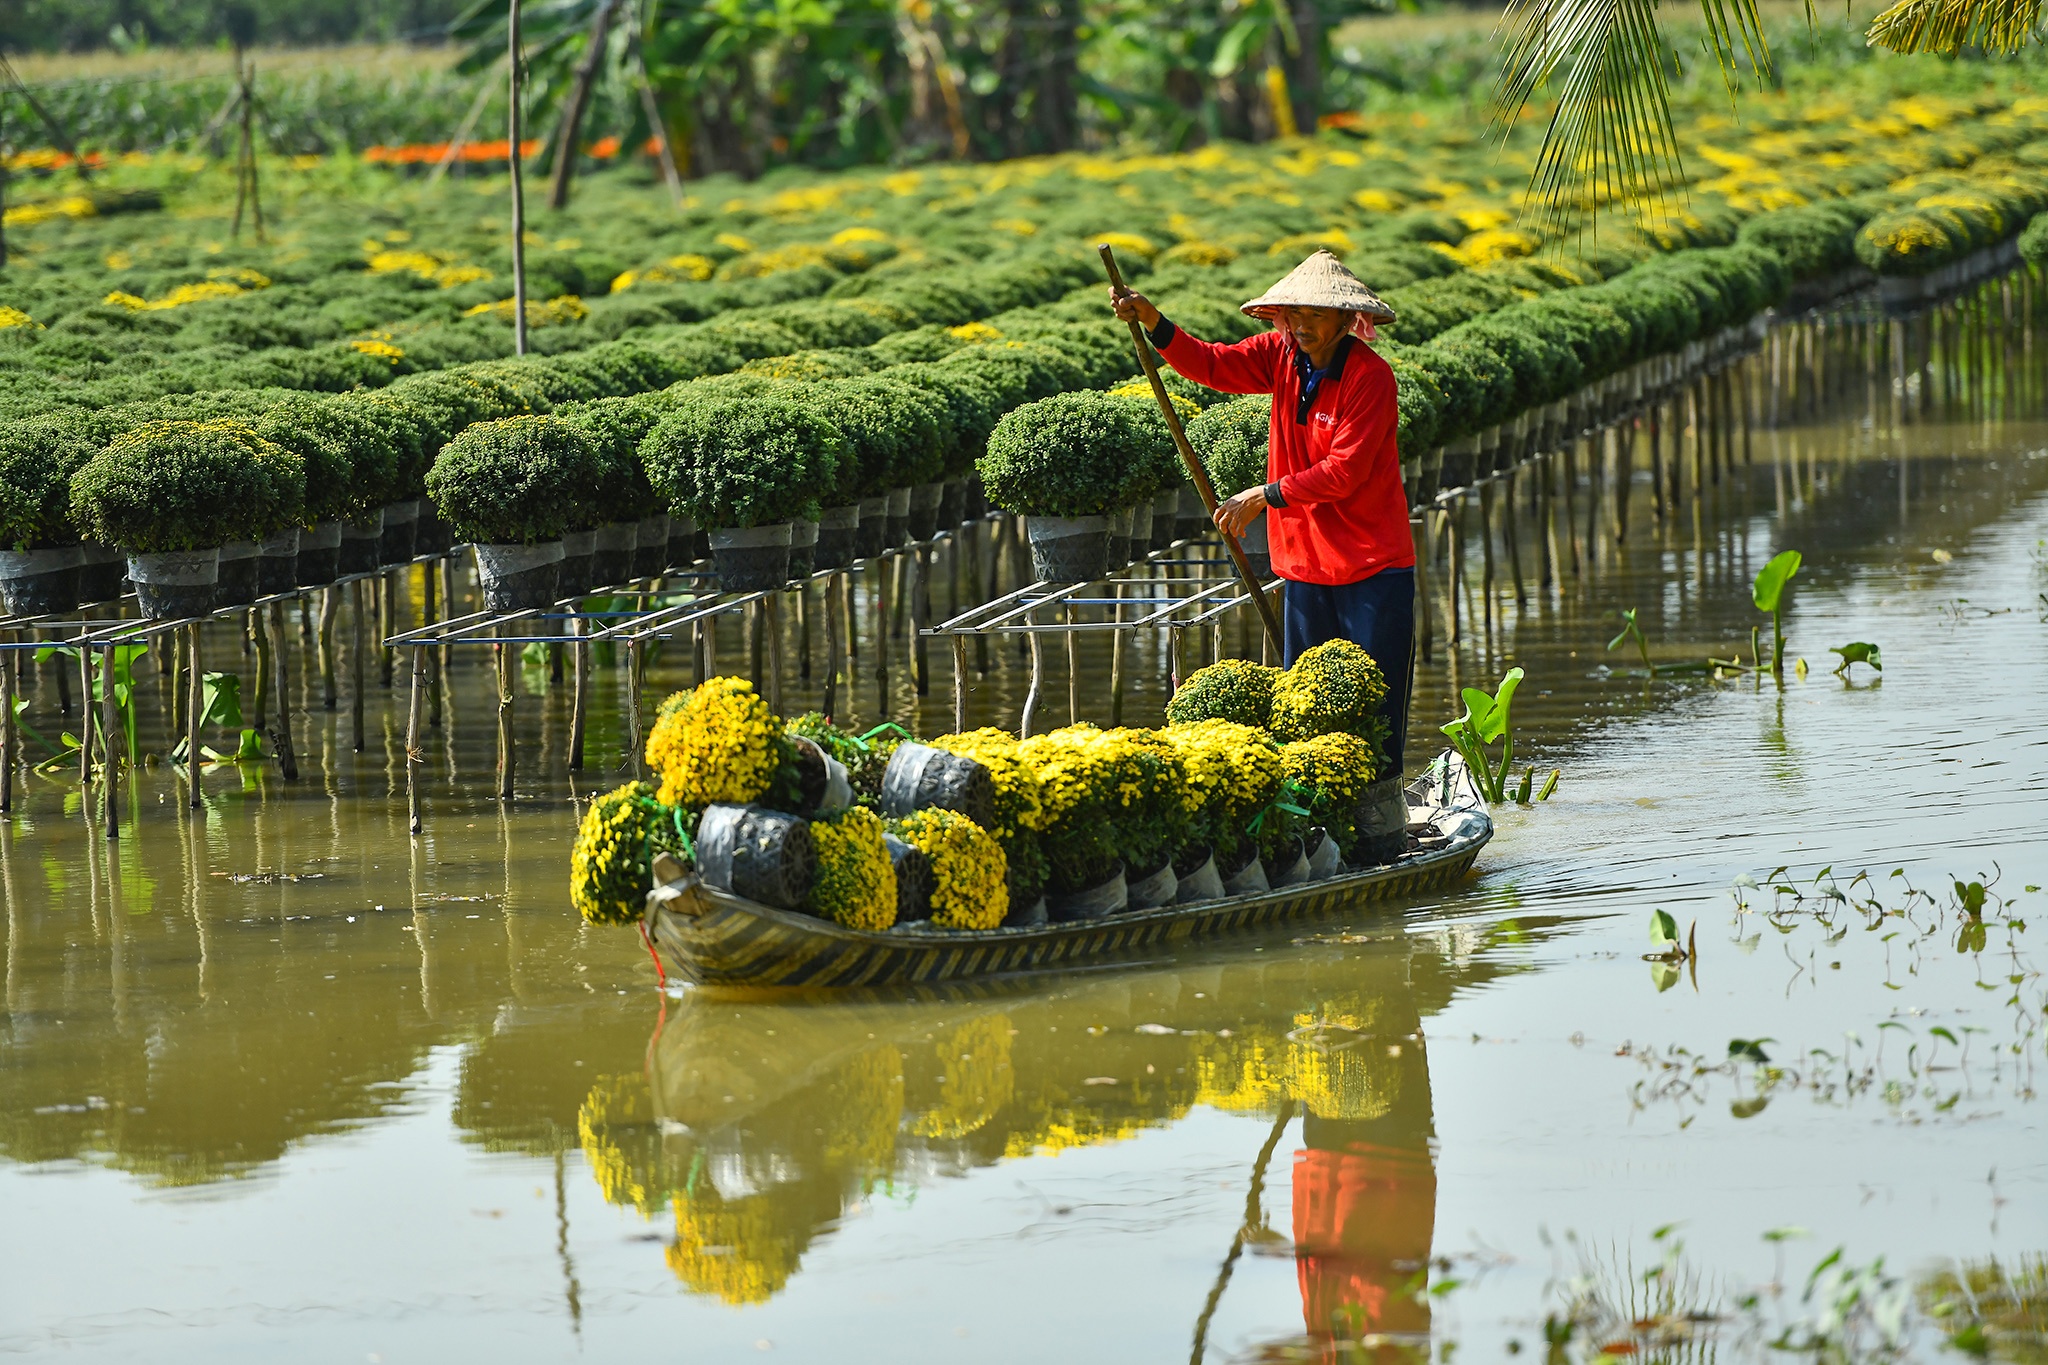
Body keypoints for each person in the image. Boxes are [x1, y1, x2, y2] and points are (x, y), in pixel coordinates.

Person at [1109, 248, 1415, 773]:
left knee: (1375, 705)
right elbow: (1211, 365)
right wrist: (1154, 321)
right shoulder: (1279, 354)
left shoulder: (1370, 378)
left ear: (1346, 320)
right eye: (1293, 313)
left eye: (1315, 314)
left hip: (1372, 565)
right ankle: (1323, 812)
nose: (1300, 325)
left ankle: (1380, 812)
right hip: (1305, 565)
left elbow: (1345, 472)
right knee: (1304, 705)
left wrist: (1263, 495)